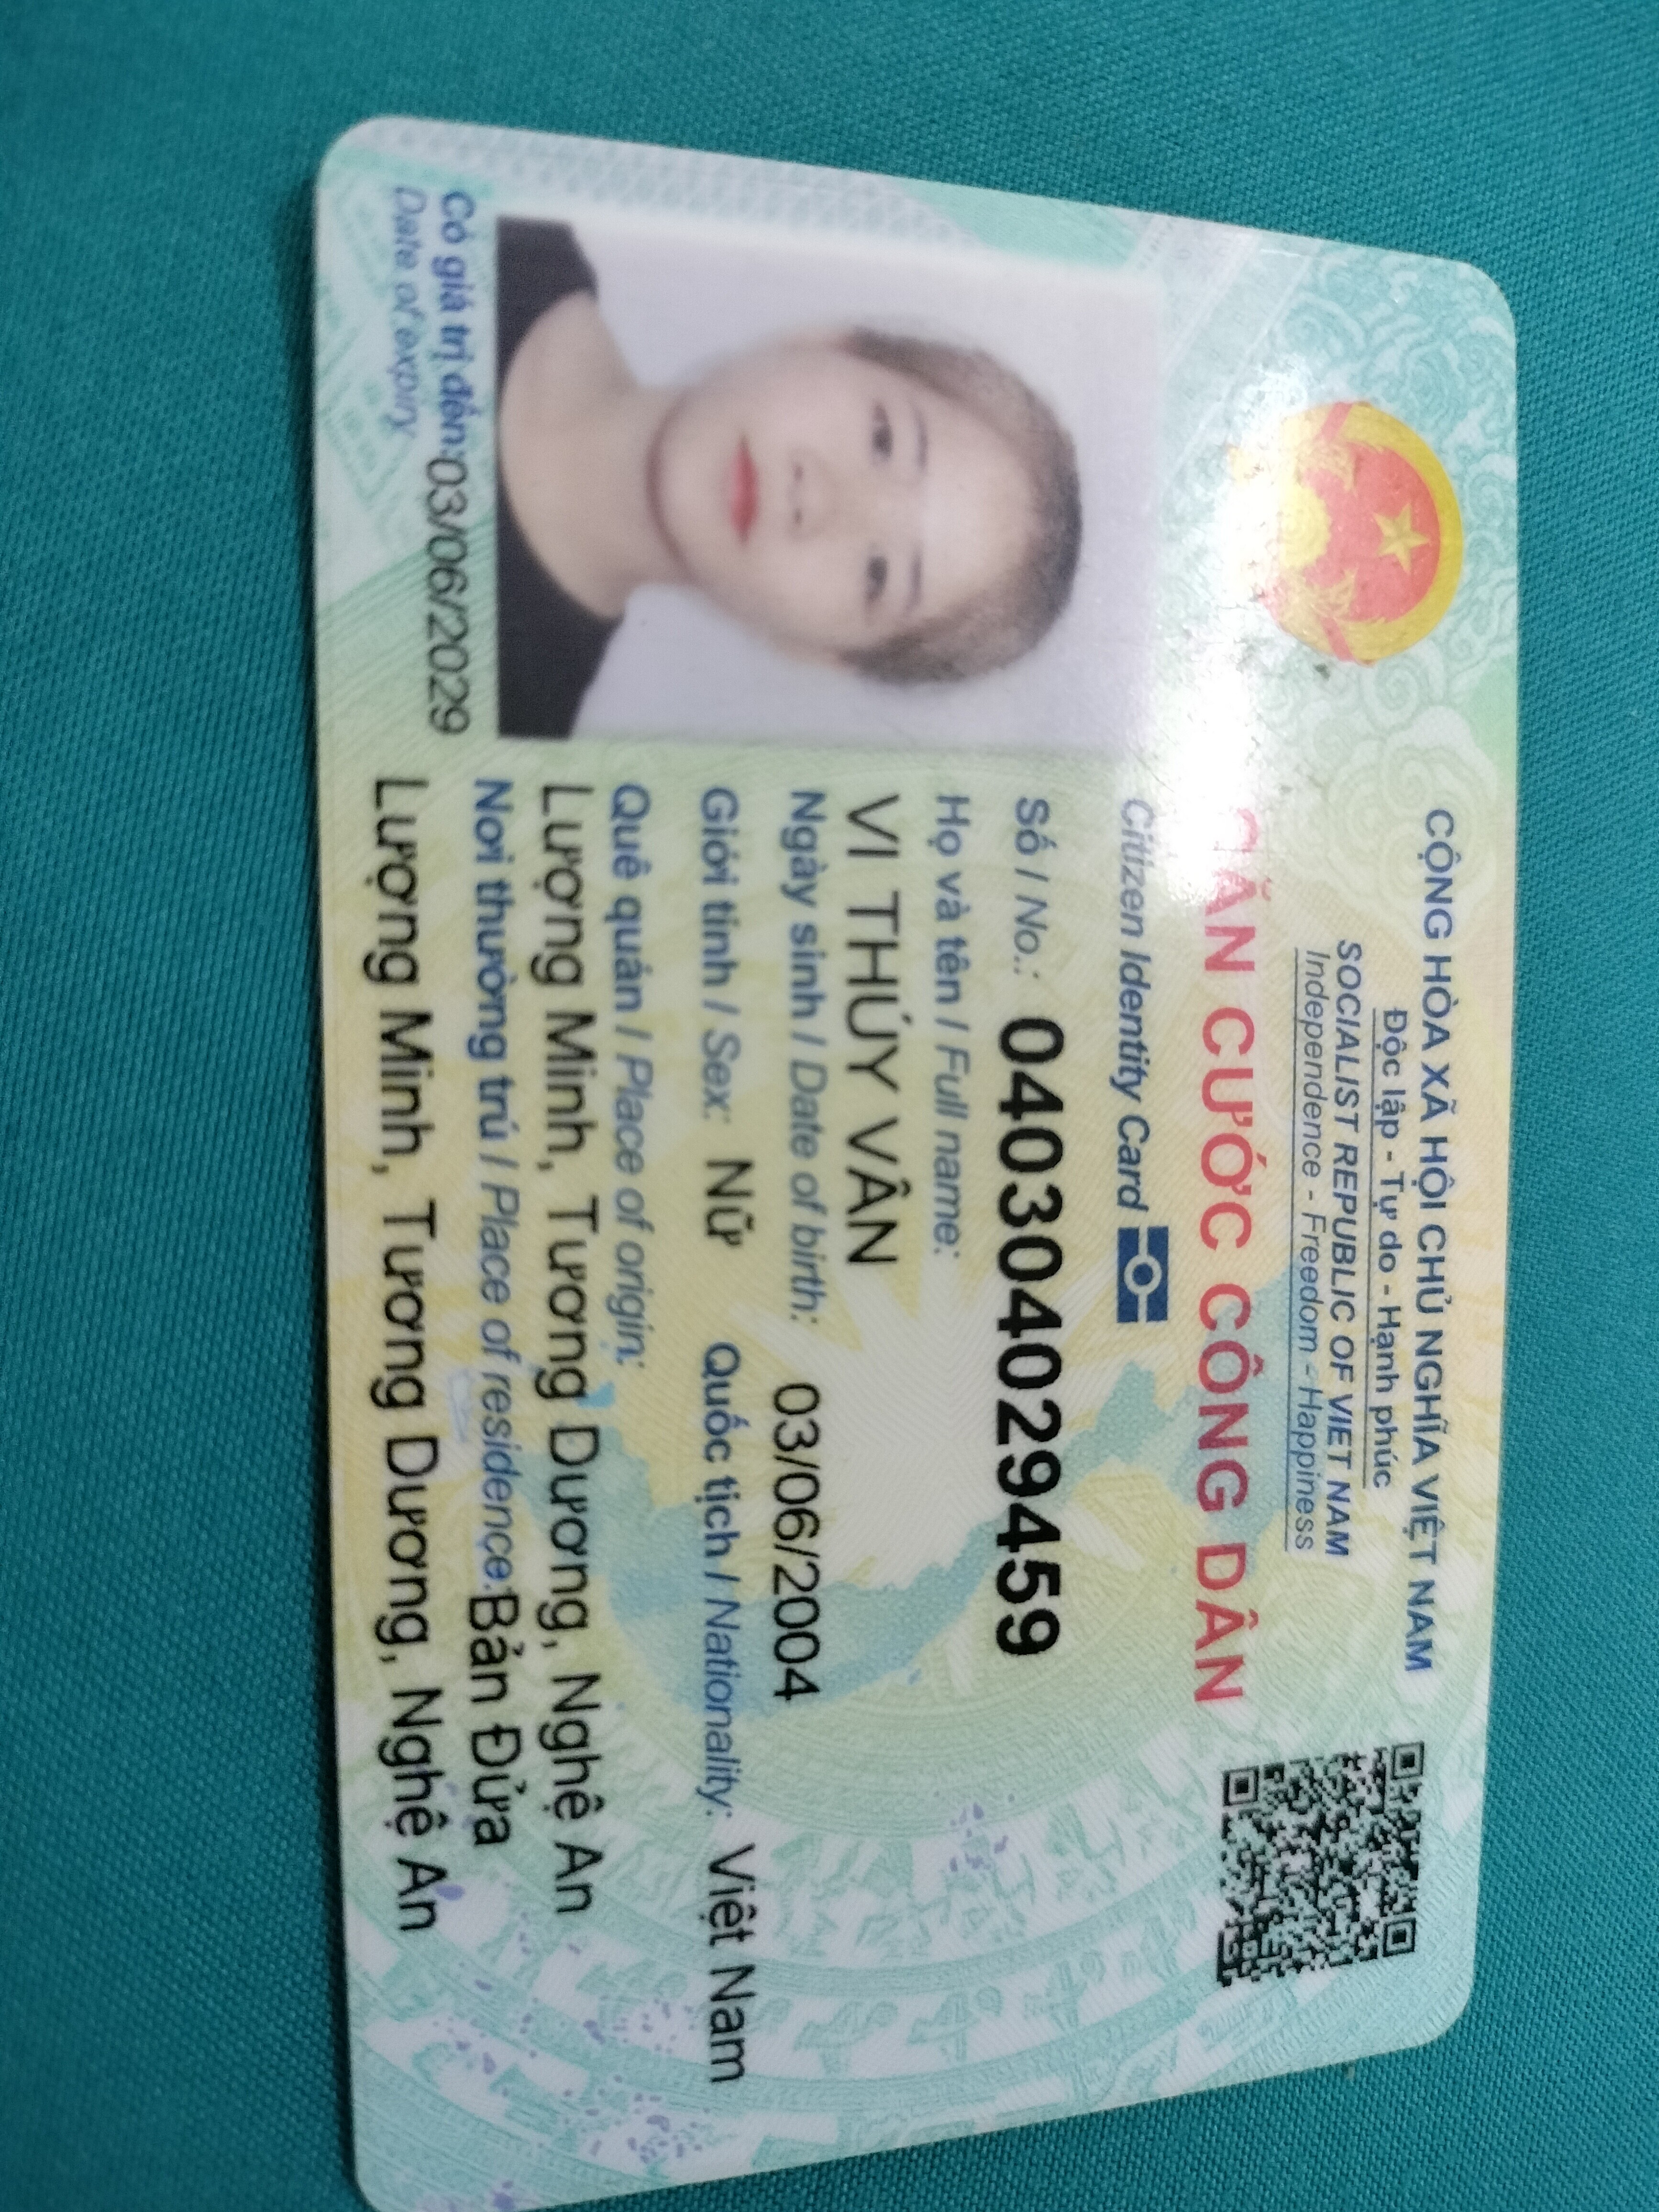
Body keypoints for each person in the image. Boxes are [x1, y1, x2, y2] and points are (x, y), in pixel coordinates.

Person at [496, 218, 1084, 737]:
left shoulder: (507, 729)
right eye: (884, 439)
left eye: (877, 575)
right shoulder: (502, 224)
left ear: (817, 651)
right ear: (826, 343)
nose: (820, 498)